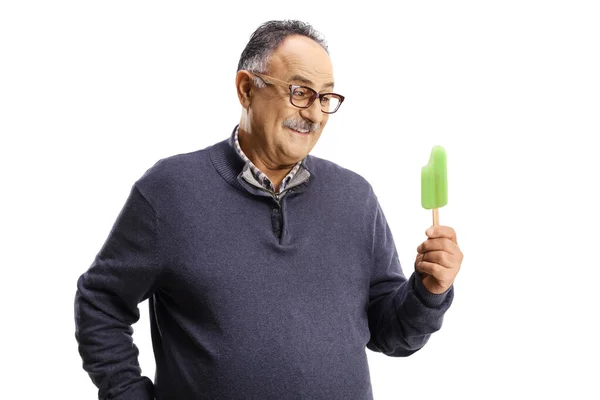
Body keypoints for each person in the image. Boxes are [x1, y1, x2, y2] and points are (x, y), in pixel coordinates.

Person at [74, 20, 463, 400]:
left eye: (325, 97)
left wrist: (428, 291)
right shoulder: (170, 190)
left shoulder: (355, 196)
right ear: (246, 89)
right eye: (299, 92)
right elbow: (101, 301)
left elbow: (391, 334)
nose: (313, 113)